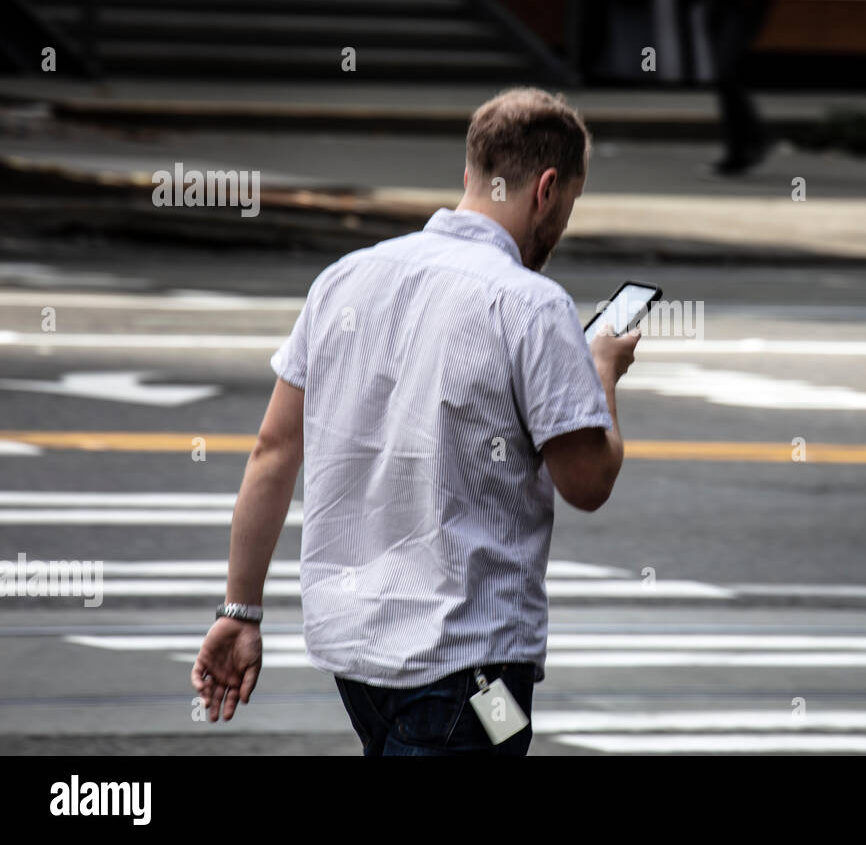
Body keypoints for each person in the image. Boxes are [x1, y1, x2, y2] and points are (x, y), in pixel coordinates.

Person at [190, 87, 641, 756]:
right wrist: (601, 364)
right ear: (547, 190)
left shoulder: (344, 279)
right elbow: (588, 482)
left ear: (470, 174)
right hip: (472, 665)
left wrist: (240, 611)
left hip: (357, 662)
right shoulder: (532, 304)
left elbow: (272, 451)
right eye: (569, 204)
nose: (562, 224)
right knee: (500, 737)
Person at [681, 0, 794, 176]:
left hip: (744, 0)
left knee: (725, 70)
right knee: (724, 76)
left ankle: (753, 139)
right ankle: (739, 148)